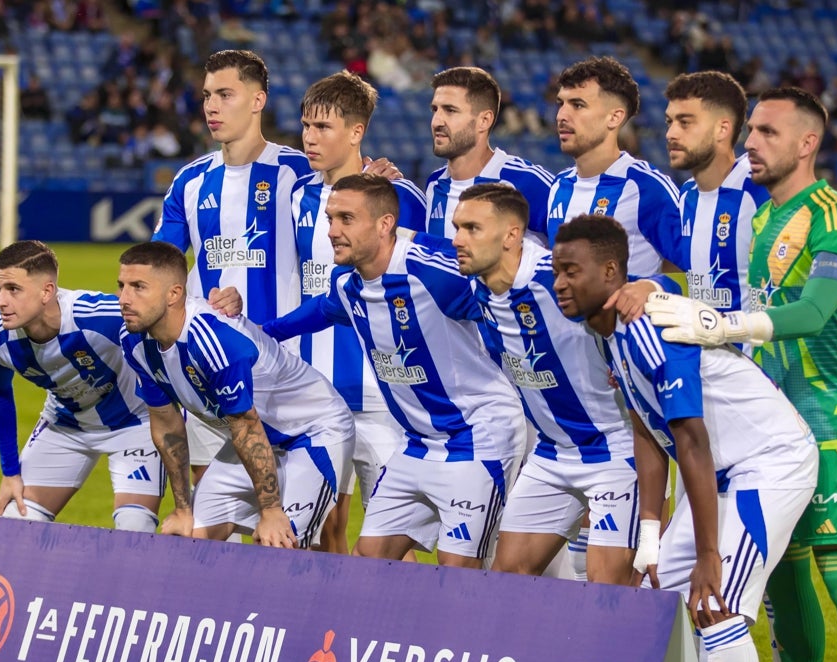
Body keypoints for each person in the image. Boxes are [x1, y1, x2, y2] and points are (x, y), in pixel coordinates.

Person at [645, 87, 837, 662]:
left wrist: (723, 328)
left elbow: (813, 312)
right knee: (783, 587)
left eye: (767, 131)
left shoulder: (836, 214)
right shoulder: (767, 214)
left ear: (807, 143)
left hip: (833, 420)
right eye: (750, 129)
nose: (752, 141)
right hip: (769, 432)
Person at [551, 213, 818, 662]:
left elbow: (690, 442)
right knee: (659, 604)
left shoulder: (645, 327)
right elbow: (649, 436)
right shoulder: (608, 332)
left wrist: (705, 554)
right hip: (716, 474)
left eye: (571, 271)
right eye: (555, 271)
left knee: (714, 604)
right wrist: (649, 537)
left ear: (612, 272)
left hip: (765, 464)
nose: (559, 283)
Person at [263, 174, 526, 567]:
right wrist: (261, 335)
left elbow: (510, 288)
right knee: (369, 562)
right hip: (416, 444)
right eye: (330, 218)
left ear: (385, 224)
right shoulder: (348, 283)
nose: (332, 231)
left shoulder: (432, 268)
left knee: (459, 573)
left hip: (478, 436)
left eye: (346, 219)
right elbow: (320, 311)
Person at [450, 183, 637, 583]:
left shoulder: (555, 276)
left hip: (614, 448)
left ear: (512, 236)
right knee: (508, 577)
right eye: (456, 228)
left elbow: (639, 290)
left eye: (471, 228)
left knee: (611, 588)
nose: (457, 240)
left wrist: (655, 285)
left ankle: (691, 643)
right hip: (553, 454)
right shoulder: (476, 286)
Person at [118, 242, 353, 549]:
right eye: (121, 286)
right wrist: (182, 508)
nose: (124, 299)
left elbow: (246, 424)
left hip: (312, 433)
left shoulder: (211, 338)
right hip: (256, 439)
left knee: (280, 545)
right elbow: (167, 425)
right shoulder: (134, 340)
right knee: (187, 540)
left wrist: (270, 511)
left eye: (138, 287)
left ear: (174, 294)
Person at [150, 50, 311, 483]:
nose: (211, 107)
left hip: (285, 368)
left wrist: (376, 174)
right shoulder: (189, 181)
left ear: (258, 100)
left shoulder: (301, 172)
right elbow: (160, 266)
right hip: (208, 368)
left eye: (225, 94)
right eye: (206, 96)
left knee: (310, 529)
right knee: (211, 515)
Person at [291, 71, 426, 554]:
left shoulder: (399, 198)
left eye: (323, 127)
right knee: (325, 530)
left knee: (393, 541)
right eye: (306, 125)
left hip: (381, 396)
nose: (310, 137)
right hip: (315, 393)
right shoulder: (297, 196)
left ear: (356, 132)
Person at [0, 240, 164, 532]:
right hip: (65, 425)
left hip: (135, 424)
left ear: (47, 292)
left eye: (13, 289)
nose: (1, 301)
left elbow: (164, 320)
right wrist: (10, 471)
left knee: (134, 527)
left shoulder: (98, 316)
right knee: (15, 523)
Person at [547, 57, 682, 277]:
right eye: (561, 103)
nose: (562, 116)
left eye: (578, 105)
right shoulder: (559, 186)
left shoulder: (647, 188)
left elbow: (693, 264)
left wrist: (654, 288)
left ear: (614, 117)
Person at [424, 66, 555, 246]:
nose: (436, 121)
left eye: (450, 110)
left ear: (484, 121)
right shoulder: (434, 184)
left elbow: (579, 248)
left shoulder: (525, 180)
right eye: (435, 110)